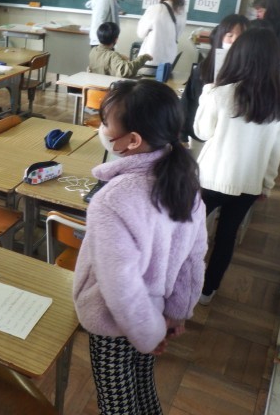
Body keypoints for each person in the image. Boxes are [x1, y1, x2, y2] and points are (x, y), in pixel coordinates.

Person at [73, 79, 207, 415]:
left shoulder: (112, 200)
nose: (101, 128)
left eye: (105, 122)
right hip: (155, 314)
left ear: (132, 141)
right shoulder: (185, 180)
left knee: (117, 405)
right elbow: (193, 258)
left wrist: (150, 336)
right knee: (143, 390)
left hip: (116, 323)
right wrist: (175, 314)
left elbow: (120, 287)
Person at [194, 27, 280, 305]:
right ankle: (208, 291)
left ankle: (180, 281)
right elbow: (275, 152)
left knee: (190, 232)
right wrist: (267, 186)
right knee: (227, 237)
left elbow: (201, 131)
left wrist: (207, 93)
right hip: (249, 184)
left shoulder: (220, 93)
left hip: (210, 179)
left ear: (238, 56)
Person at [180, 14, 249, 144]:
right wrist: (183, 136)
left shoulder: (251, 70)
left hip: (231, 139)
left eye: (242, 36)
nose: (235, 40)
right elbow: (189, 103)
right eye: (230, 35)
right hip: (200, 135)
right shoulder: (203, 69)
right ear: (221, 37)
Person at [137, 0, 187, 72]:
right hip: (168, 63)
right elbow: (177, 35)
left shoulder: (155, 9)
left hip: (149, 61)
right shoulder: (182, 12)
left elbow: (140, 33)